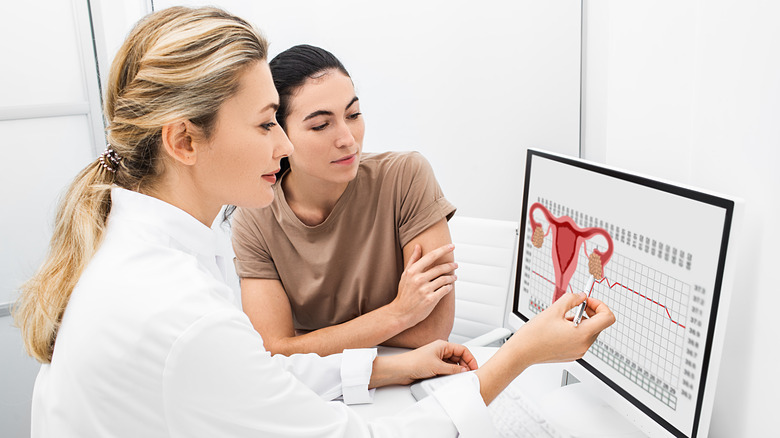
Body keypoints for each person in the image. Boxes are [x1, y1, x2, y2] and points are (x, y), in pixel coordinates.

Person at [13, 6, 614, 437]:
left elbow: (260, 369)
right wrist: (523, 353)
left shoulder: (141, 251)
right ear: (184, 141)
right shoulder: (180, 314)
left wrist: (395, 364)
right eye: (267, 123)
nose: (283, 145)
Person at [231, 44, 459, 356]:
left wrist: (308, 341)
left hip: (411, 375)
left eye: (353, 114)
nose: (348, 140)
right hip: (322, 389)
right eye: (321, 125)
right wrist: (399, 313)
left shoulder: (405, 177)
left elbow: (431, 331)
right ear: (280, 134)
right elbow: (273, 350)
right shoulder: (255, 216)